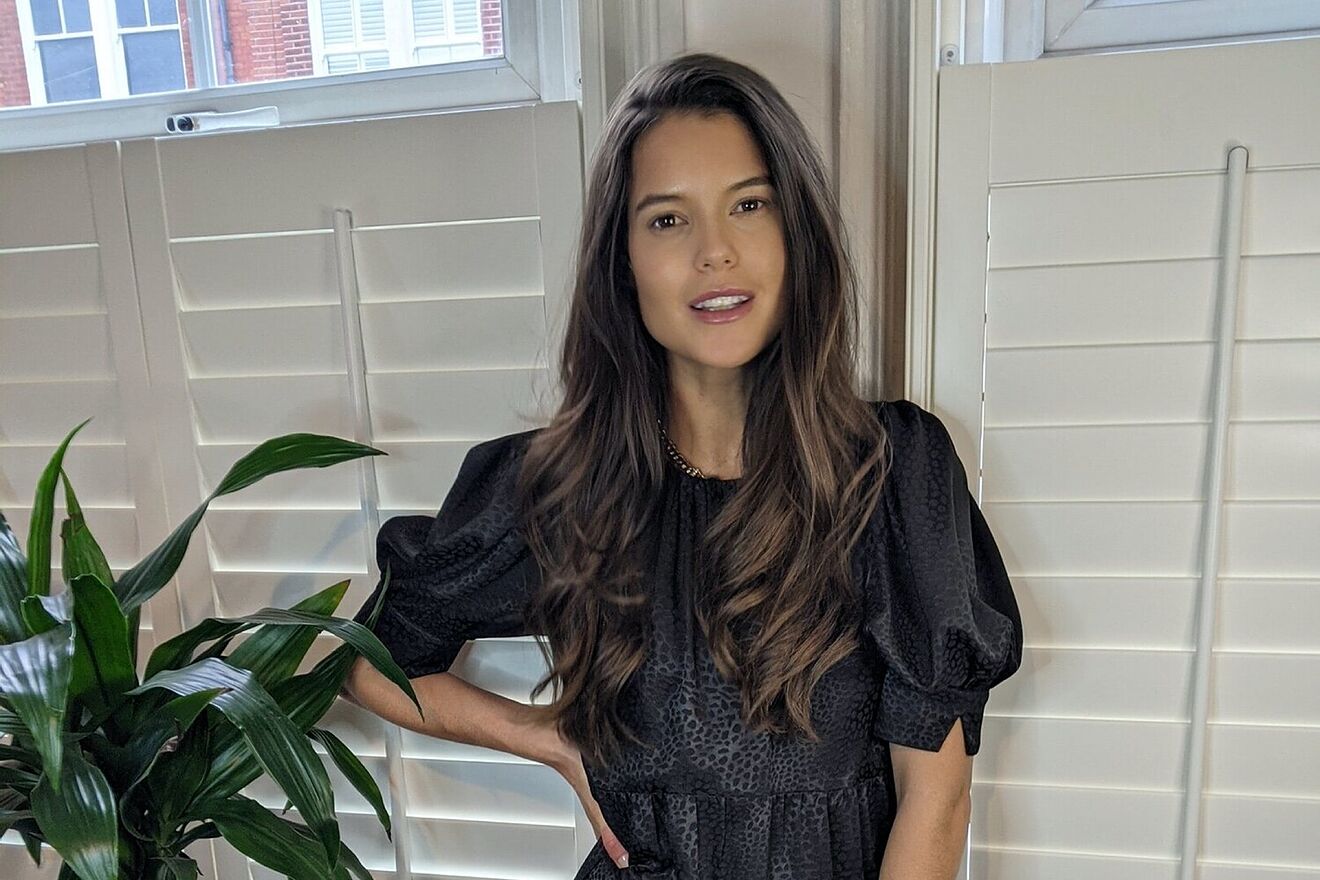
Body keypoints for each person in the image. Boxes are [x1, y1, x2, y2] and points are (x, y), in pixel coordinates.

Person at [342, 51, 1024, 879]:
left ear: (796, 234)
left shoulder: (890, 478)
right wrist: (548, 738)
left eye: (750, 204)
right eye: (668, 220)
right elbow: (365, 659)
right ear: (622, 262)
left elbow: (937, 800)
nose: (715, 251)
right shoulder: (564, 490)